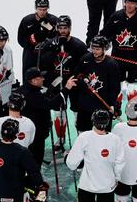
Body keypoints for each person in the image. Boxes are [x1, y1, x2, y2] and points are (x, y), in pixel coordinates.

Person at [65, 110, 125, 202]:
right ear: (108, 123)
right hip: (107, 185)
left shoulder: (84, 137)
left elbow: (72, 163)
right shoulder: (115, 139)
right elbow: (120, 162)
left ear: (93, 121)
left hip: (86, 185)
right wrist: (116, 178)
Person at [39, 15, 89, 150]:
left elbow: (86, 64)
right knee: (58, 114)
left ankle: (80, 142)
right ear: (56, 28)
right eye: (60, 28)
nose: (62, 30)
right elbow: (42, 63)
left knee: (77, 113)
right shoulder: (49, 44)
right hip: (56, 84)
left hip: (74, 84)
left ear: (70, 28)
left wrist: (80, 78)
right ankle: (60, 140)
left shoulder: (78, 45)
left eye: (65, 28)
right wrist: (52, 50)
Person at [17, 67, 77, 170]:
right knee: (36, 158)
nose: (43, 79)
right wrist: (66, 88)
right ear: (34, 80)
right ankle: (33, 182)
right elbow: (51, 104)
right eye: (40, 77)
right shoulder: (33, 95)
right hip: (35, 133)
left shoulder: (22, 89)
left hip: (25, 132)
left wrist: (48, 93)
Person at [74, 36, 121, 133]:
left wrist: (112, 104)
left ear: (105, 49)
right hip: (85, 104)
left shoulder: (112, 64)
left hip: (102, 106)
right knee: (82, 131)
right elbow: (77, 75)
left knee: (102, 134)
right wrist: (81, 79)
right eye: (93, 48)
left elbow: (115, 87)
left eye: (98, 49)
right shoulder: (85, 59)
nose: (94, 51)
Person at [17, 0, 58, 77]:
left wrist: (51, 33)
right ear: (36, 8)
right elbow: (21, 40)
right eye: (40, 9)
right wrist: (33, 38)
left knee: (47, 81)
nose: (42, 12)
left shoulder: (54, 20)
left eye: (45, 9)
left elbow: (59, 39)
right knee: (29, 80)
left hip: (48, 57)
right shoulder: (26, 20)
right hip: (30, 56)